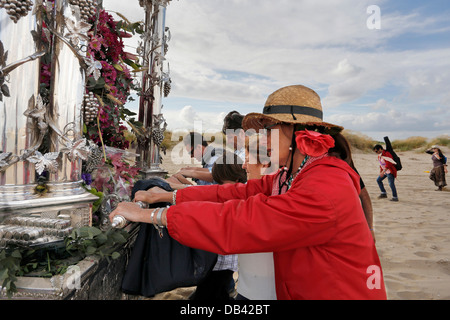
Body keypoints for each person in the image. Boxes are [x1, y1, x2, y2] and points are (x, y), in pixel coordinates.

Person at [111, 85, 387, 300]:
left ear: (299, 133)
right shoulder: (295, 173)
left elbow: (243, 219)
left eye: (270, 130)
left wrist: (153, 216)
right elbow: (237, 194)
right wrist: (166, 196)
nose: (262, 140)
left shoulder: (325, 183)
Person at [189, 153, 246, 300]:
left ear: (237, 179)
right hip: (223, 261)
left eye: (221, 183)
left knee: (208, 293)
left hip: (220, 261)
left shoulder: (236, 197)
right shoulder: (238, 191)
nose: (218, 188)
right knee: (217, 292)